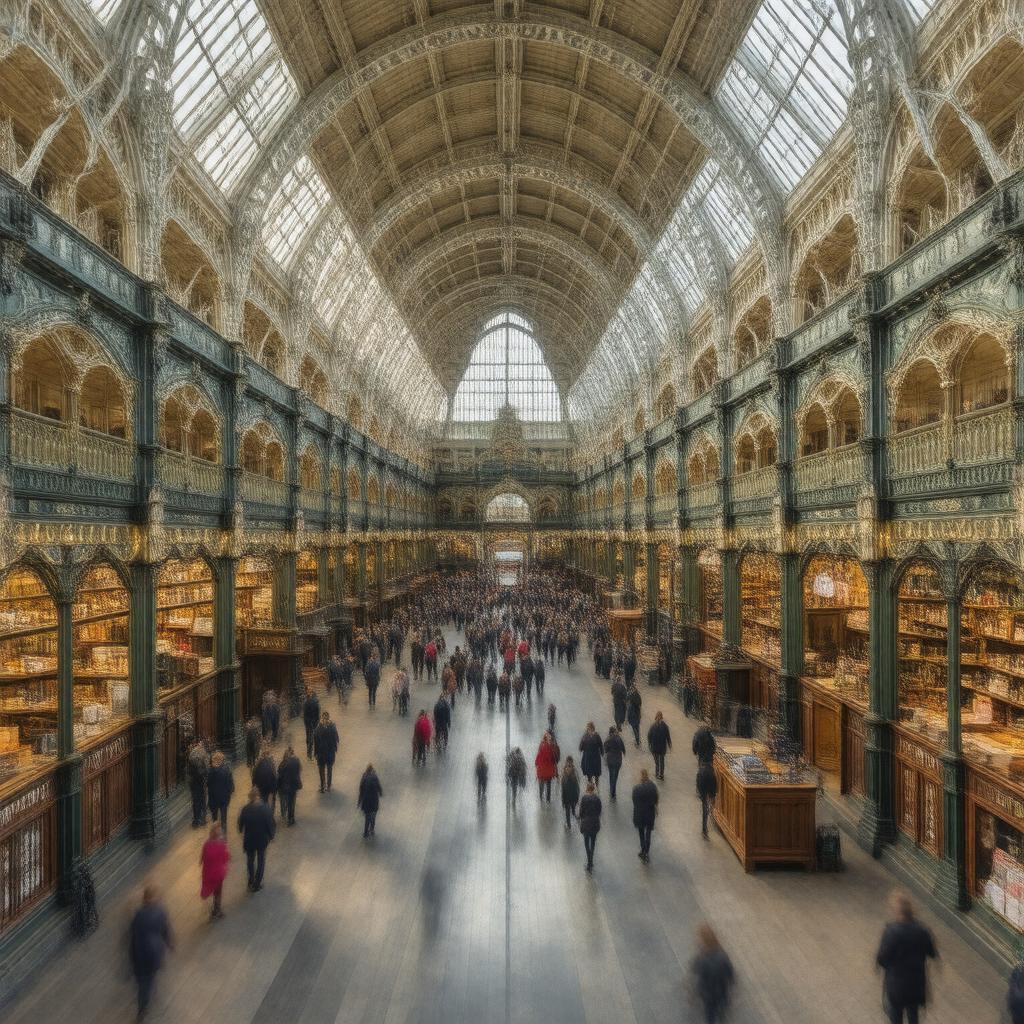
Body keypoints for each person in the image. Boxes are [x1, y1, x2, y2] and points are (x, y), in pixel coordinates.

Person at [876, 891, 938, 1024]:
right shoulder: (923, 931)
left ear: (897, 912)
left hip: (896, 985)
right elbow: (932, 953)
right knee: (913, 1014)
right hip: (916, 983)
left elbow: (882, 959)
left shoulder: (891, 932)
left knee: (896, 1016)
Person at [128, 884, 173, 1020]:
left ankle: (142, 1007)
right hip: (154, 953)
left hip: (139, 953)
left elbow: (132, 932)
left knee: (142, 982)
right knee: (149, 979)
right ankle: (145, 1002)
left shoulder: (139, 914)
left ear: (144, 898)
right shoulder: (161, 912)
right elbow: (165, 930)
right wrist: (170, 943)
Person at [691, 924, 735, 1024]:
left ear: (704, 942)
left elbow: (696, 970)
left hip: (709, 994)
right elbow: (730, 973)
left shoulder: (702, 959)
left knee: (710, 1015)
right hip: (722, 991)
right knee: (722, 1008)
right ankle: (722, 1017)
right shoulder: (723, 955)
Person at [237, 786, 276, 892]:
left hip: (249, 839)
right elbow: (270, 824)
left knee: (250, 860)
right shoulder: (265, 809)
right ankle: (257, 883)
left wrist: (242, 830)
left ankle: (251, 879)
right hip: (261, 840)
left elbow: (240, 825)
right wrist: (271, 835)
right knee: (261, 860)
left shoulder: (245, 809)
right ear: (258, 796)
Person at [199, 822, 230, 920]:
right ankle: (217, 911)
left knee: (213, 890)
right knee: (218, 892)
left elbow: (202, 858)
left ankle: (214, 910)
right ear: (219, 834)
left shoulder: (207, 844)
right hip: (218, 874)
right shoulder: (221, 845)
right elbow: (226, 858)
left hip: (208, 873)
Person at [632, 768, 659, 863]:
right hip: (649, 813)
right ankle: (646, 851)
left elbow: (634, 802)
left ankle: (643, 849)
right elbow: (656, 799)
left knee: (641, 832)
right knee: (648, 833)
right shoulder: (652, 787)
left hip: (639, 814)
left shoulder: (636, 789)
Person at [207, 750, 234, 830]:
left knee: (214, 818)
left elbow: (208, 784)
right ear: (222, 759)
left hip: (213, 798)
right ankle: (224, 835)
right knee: (223, 817)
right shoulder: (226, 770)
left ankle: (215, 834)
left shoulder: (210, 771)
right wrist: (229, 792)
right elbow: (230, 784)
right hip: (224, 797)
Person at [313, 711, 340, 792]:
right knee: (328, 769)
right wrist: (334, 748)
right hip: (328, 753)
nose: (324, 719)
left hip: (322, 753)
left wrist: (316, 753)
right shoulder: (332, 727)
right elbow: (337, 739)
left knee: (323, 770)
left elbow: (316, 742)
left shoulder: (318, 728)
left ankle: (323, 785)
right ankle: (327, 785)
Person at [579, 782, 602, 871]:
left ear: (587, 789)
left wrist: (581, 817)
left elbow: (581, 812)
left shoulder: (584, 798)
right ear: (593, 789)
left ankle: (589, 860)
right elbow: (599, 811)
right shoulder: (597, 799)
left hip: (586, 823)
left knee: (586, 843)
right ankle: (591, 859)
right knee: (593, 842)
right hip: (595, 823)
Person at [277, 744, 302, 825]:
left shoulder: (283, 763)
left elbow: (280, 773)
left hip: (286, 786)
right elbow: (299, 770)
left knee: (287, 801)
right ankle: (292, 817)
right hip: (294, 785)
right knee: (292, 801)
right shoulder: (296, 761)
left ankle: (288, 817)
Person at [187, 739, 209, 828]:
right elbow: (207, 768)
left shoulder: (191, 754)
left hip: (193, 781)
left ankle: (196, 821)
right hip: (201, 780)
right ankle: (203, 819)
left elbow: (188, 770)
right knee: (203, 799)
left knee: (195, 800)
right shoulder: (204, 754)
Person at [357, 763, 383, 838]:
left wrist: (359, 801)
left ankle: (365, 833)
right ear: (372, 770)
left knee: (367, 817)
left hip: (366, 801)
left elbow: (361, 790)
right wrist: (380, 793)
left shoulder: (364, 777)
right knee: (373, 816)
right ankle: (372, 829)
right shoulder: (375, 777)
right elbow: (379, 787)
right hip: (374, 800)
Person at [647, 711, 672, 781]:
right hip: (659, 748)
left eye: (658, 717)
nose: (658, 718)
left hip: (657, 748)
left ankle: (659, 774)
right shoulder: (663, 726)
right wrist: (669, 744)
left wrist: (649, 744)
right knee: (659, 762)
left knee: (659, 762)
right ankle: (660, 774)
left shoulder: (654, 726)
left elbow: (649, 736)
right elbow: (668, 737)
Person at [697, 758, 718, 839]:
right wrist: (713, 796)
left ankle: (704, 829)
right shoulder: (712, 773)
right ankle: (705, 828)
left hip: (703, 791)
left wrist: (700, 794)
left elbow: (698, 783)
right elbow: (714, 785)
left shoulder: (700, 772)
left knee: (705, 810)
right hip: (709, 791)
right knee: (707, 809)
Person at [578, 722, 604, 787]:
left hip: (592, 757)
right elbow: (580, 748)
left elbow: (601, 745)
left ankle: (595, 787)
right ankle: (592, 788)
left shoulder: (590, 736)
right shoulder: (588, 736)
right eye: (588, 728)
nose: (589, 730)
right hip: (591, 757)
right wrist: (602, 752)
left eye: (589, 728)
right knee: (591, 775)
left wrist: (602, 752)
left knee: (595, 774)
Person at [604, 726, 626, 800]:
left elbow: (606, 750)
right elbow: (623, 748)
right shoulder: (618, 738)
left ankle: (612, 791)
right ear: (614, 732)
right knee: (615, 776)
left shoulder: (608, 739)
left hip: (610, 759)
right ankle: (613, 791)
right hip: (617, 760)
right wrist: (623, 752)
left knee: (611, 775)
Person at [535, 732, 558, 802]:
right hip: (548, 770)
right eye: (549, 738)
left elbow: (538, 756)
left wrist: (536, 763)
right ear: (547, 739)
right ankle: (547, 799)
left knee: (542, 784)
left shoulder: (542, 745)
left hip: (542, 770)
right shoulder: (550, 747)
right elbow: (554, 759)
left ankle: (541, 797)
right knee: (548, 784)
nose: (550, 740)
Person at [560, 756, 581, 829]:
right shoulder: (574, 774)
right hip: (573, 797)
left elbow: (563, 790)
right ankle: (575, 816)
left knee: (567, 811)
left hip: (566, 798)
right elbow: (577, 787)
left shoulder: (564, 777)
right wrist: (577, 797)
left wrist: (562, 800)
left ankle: (569, 824)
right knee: (572, 808)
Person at [302, 687, 320, 760]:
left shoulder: (313, 702)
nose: (309, 693)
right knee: (310, 739)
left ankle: (312, 754)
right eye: (308, 692)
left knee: (312, 739)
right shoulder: (306, 702)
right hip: (310, 723)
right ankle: (310, 754)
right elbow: (305, 715)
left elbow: (317, 714)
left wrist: (315, 723)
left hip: (312, 723)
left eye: (310, 692)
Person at [626, 682, 642, 747]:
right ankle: (638, 740)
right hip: (637, 715)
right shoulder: (638, 696)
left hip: (633, 716)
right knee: (637, 728)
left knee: (634, 728)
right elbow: (640, 704)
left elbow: (629, 712)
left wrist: (628, 718)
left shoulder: (631, 701)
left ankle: (637, 740)